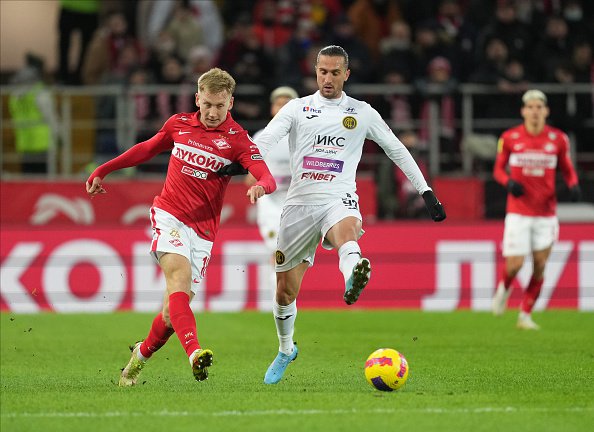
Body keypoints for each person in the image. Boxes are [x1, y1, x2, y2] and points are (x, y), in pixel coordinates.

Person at [223, 45, 446, 385]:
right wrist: (237, 166)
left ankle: (353, 272)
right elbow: (264, 141)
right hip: (298, 205)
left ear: (347, 74)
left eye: (335, 73)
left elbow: (396, 149)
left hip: (338, 196)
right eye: (323, 72)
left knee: (347, 230)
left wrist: (426, 191)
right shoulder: (297, 108)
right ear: (316, 72)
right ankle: (285, 348)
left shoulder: (362, 112)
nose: (328, 79)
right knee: (284, 292)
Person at [85, 68, 276, 385]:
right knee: (178, 278)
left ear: (230, 103)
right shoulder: (179, 124)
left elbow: (267, 176)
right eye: (208, 104)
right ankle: (195, 353)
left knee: (170, 315)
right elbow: (146, 148)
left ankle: (136, 361)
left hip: (203, 231)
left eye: (220, 106)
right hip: (169, 214)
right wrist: (103, 169)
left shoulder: (238, 140)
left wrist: (261, 186)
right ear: (197, 98)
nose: (212, 113)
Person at [491, 89, 581, 330]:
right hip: (518, 212)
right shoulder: (510, 138)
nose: (534, 111)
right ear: (523, 111)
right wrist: (508, 182)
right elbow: (497, 170)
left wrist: (573, 184)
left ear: (546, 111)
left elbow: (567, 168)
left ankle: (525, 315)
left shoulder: (558, 139)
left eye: (539, 107)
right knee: (515, 264)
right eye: (530, 107)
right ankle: (504, 288)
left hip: (546, 213)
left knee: (540, 265)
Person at [245, 86, 299, 299]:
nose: (282, 107)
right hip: (271, 203)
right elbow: (249, 176)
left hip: (296, 201)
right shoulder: (262, 137)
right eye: (279, 103)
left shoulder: (306, 137)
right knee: (277, 250)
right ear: (272, 108)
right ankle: (276, 299)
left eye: (287, 103)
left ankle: (285, 298)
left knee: (293, 253)